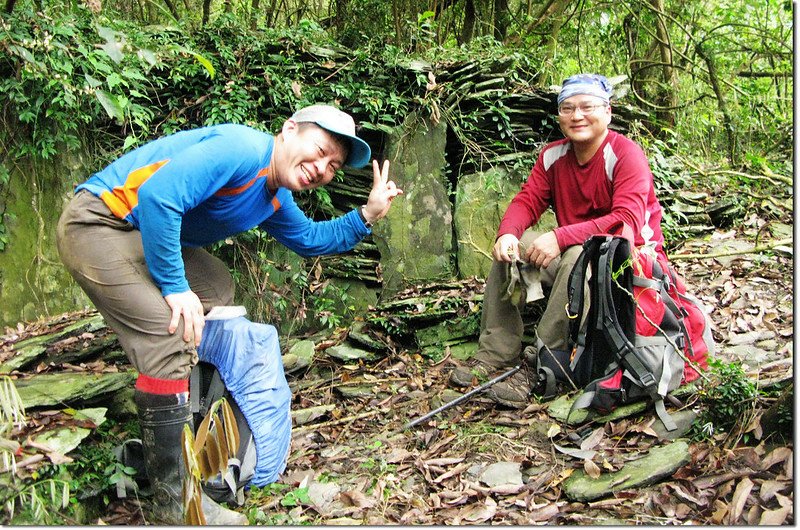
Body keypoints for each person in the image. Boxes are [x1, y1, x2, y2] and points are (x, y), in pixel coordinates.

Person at [56, 104, 403, 524]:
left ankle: (182, 400)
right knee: (173, 333)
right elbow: (157, 197)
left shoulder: (274, 196)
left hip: (136, 233)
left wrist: (367, 214)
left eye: (333, 166)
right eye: (320, 149)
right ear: (288, 129)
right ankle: (177, 504)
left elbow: (311, 239)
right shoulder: (241, 150)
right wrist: (174, 288)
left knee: (216, 285)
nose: (322, 168)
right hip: (99, 222)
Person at [450, 74, 668, 408]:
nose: (577, 115)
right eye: (568, 108)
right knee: (515, 252)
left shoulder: (626, 155)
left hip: (626, 261)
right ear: (559, 116)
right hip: (577, 254)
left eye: (587, 107)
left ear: (607, 112)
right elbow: (527, 200)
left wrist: (559, 236)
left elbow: (626, 222)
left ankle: (542, 365)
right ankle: (495, 354)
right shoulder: (553, 156)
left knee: (576, 256)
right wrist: (508, 233)